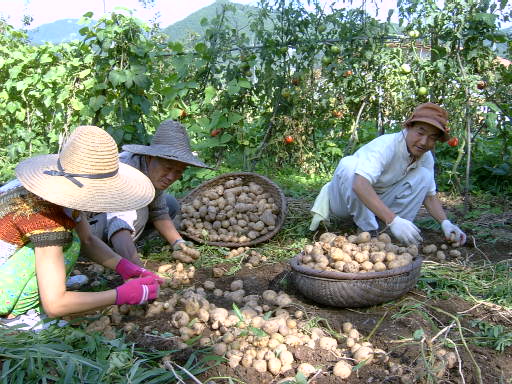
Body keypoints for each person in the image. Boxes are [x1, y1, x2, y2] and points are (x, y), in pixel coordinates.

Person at [0, 125, 163, 330]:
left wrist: (127, 267)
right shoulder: (45, 218)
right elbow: (55, 305)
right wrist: (119, 295)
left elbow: (88, 240)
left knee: (75, 240)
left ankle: (48, 288)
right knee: (66, 244)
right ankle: (15, 318)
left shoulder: (59, 194)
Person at [310, 102, 467, 246]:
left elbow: (429, 196)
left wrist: (445, 223)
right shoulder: (386, 146)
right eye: (420, 132)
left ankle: (388, 232)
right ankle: (369, 231)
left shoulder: (425, 157)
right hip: (344, 201)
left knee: (424, 176)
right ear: (408, 127)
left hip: (377, 202)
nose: (424, 142)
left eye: (432, 138)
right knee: (349, 165)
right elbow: (359, 184)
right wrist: (393, 219)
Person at [88, 120, 211, 266]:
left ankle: (123, 248)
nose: (171, 177)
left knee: (170, 203)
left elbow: (158, 211)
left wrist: (178, 243)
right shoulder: (127, 172)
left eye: (178, 171)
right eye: (167, 168)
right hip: (84, 233)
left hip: (107, 223)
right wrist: (136, 269)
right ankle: (111, 255)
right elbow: (119, 223)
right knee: (141, 208)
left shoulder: (150, 170)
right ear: (149, 158)